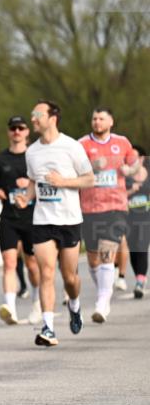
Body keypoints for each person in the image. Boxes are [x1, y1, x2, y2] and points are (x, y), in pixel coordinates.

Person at [18, 100, 94, 347]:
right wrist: (26, 198)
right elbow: (33, 182)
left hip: (69, 219)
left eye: (38, 114)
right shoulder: (32, 151)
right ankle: (48, 328)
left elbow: (89, 179)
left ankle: (74, 304)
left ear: (53, 118)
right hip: (42, 220)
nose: (33, 119)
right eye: (32, 114)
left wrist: (63, 182)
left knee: (69, 277)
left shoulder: (71, 147)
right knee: (46, 273)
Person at [78, 107, 139, 323]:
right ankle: (103, 290)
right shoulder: (82, 144)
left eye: (101, 118)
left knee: (107, 252)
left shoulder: (122, 142)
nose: (97, 122)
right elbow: (74, 171)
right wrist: (93, 166)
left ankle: (102, 303)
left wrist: (129, 170)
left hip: (116, 206)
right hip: (89, 207)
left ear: (111, 121)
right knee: (93, 259)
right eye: (94, 118)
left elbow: (135, 165)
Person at [0, 115, 41, 325]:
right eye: (13, 128)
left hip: (33, 218)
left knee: (32, 263)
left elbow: (47, 183)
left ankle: (38, 301)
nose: (17, 132)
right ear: (9, 132)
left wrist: (29, 183)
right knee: (9, 262)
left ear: (27, 132)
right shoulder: (0, 159)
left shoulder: (35, 156)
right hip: (9, 217)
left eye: (20, 128)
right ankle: (10, 307)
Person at [125, 145, 149, 299]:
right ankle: (139, 277)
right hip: (129, 219)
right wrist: (131, 191)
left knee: (141, 245)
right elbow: (116, 196)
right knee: (134, 250)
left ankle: (140, 281)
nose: (131, 161)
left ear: (141, 159)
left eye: (133, 158)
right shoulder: (124, 178)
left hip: (147, 219)